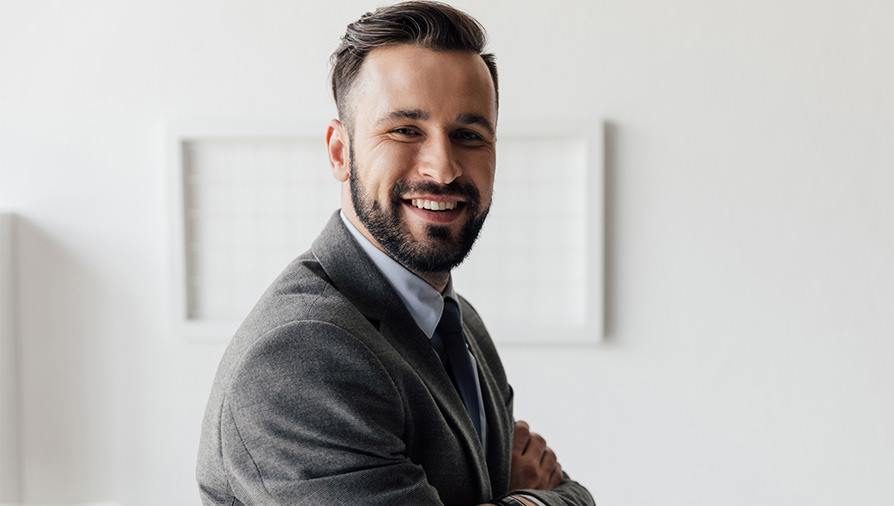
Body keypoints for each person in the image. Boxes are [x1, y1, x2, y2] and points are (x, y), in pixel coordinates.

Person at [196, 2, 595, 505]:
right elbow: (559, 493)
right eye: (406, 130)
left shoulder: (458, 323)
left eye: (468, 136)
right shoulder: (299, 354)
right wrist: (534, 498)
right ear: (340, 152)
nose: (443, 168)